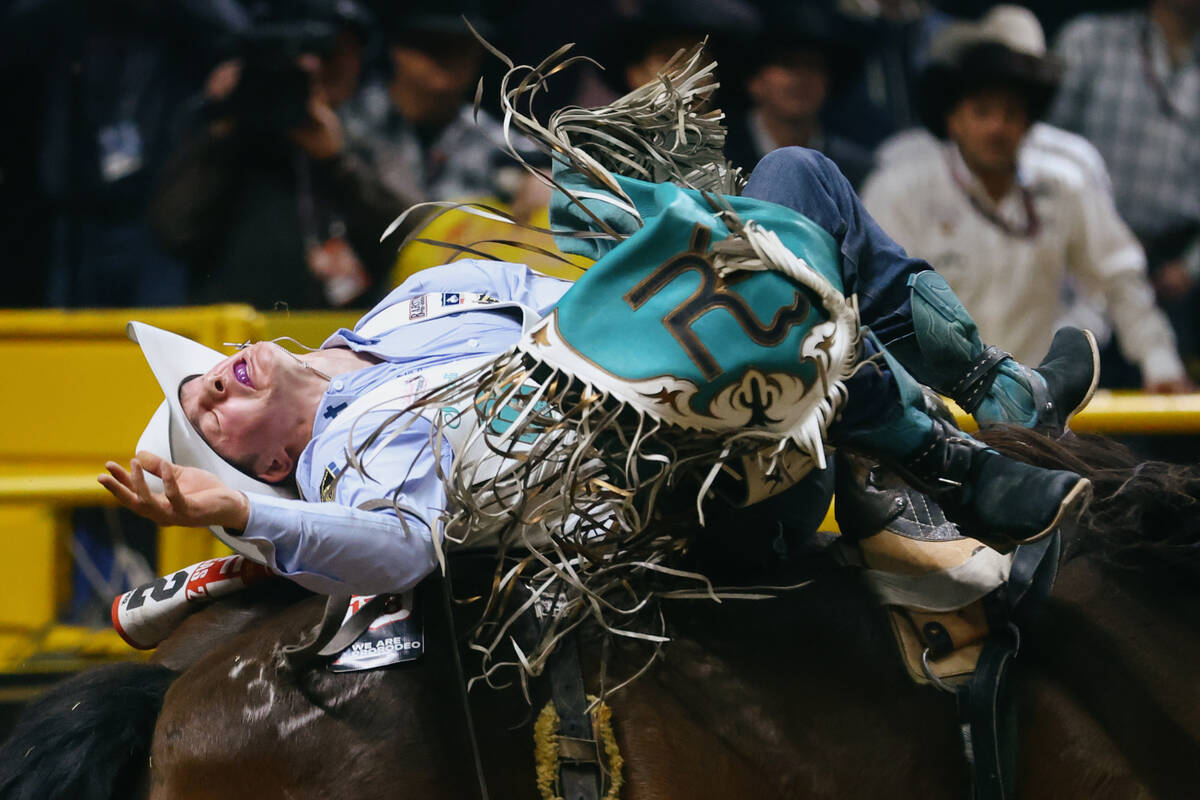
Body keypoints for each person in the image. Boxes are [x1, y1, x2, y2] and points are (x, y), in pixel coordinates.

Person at [100, 48, 1098, 603]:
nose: (216, 375)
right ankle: (963, 452)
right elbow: (395, 549)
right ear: (265, 467)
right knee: (744, 300)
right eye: (206, 407)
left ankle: (987, 392)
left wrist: (631, 218)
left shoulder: (400, 307)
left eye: (205, 371)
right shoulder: (334, 464)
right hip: (683, 489)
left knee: (792, 178)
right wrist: (237, 518)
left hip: (703, 364)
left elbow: (574, 298)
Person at [861, 5, 1190, 393]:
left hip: (1037, 406)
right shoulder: (899, 188)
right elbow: (876, 308)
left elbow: (1119, 276)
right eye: (982, 112)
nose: (997, 127)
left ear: (1028, 123)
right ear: (954, 120)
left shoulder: (1066, 182)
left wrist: (1160, 364)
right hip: (936, 413)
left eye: (1011, 113)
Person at [151, 0, 418, 310]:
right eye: (300, 54)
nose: (314, 68)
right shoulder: (230, 132)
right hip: (236, 344)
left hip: (339, 345)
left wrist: (339, 164)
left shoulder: (370, 134)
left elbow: (412, 236)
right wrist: (227, 125)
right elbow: (172, 232)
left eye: (333, 53)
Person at [1048, 0, 1200, 369]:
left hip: (1176, 268)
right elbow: (1040, 152)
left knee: (1166, 401)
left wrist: (1191, 266)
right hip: (1078, 258)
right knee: (1065, 402)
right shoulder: (1089, 40)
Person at [723, 2, 875, 188]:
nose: (802, 79)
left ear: (828, 82)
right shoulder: (715, 160)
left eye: (813, 66)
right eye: (788, 64)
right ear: (755, 80)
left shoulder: (856, 171)